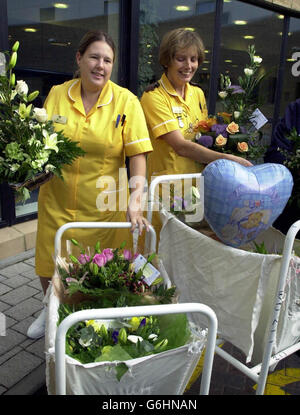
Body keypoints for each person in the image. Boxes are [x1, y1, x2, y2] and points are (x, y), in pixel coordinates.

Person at [27, 30, 153, 339]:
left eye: (107, 60)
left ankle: (88, 318)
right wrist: (34, 168)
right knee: (49, 262)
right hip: (56, 199)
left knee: (95, 267)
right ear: (79, 59)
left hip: (101, 208)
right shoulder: (58, 93)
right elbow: (44, 143)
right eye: (94, 57)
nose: (100, 65)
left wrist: (135, 201)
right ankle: (50, 309)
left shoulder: (126, 101)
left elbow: (138, 156)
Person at [140, 28, 252, 248]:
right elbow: (181, 146)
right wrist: (228, 160)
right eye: (180, 59)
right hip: (166, 193)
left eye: (193, 59)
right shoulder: (153, 97)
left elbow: (201, 137)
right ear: (167, 61)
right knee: (160, 254)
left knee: (188, 256)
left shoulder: (197, 94)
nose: (188, 66)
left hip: (195, 192)